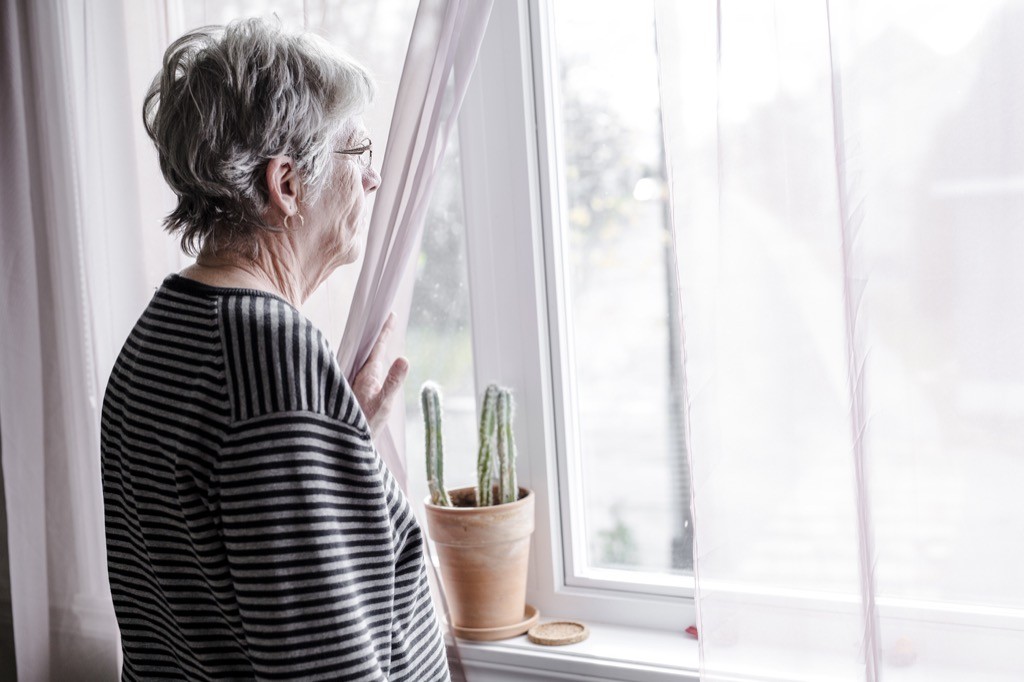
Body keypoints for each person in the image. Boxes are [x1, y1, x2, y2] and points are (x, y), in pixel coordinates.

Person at [101, 17, 451, 681]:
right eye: (358, 154)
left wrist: (335, 441)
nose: (373, 181)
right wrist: (305, 416)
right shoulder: (270, 358)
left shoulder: (161, 331)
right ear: (285, 184)